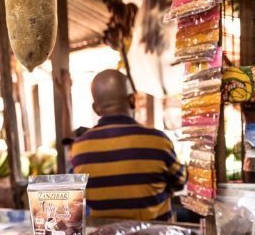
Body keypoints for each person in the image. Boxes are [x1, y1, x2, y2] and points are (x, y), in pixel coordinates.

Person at [70, 69, 186, 221]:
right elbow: (180, 181)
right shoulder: (158, 141)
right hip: (157, 234)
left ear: (96, 109)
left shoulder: (79, 149)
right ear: (132, 100)